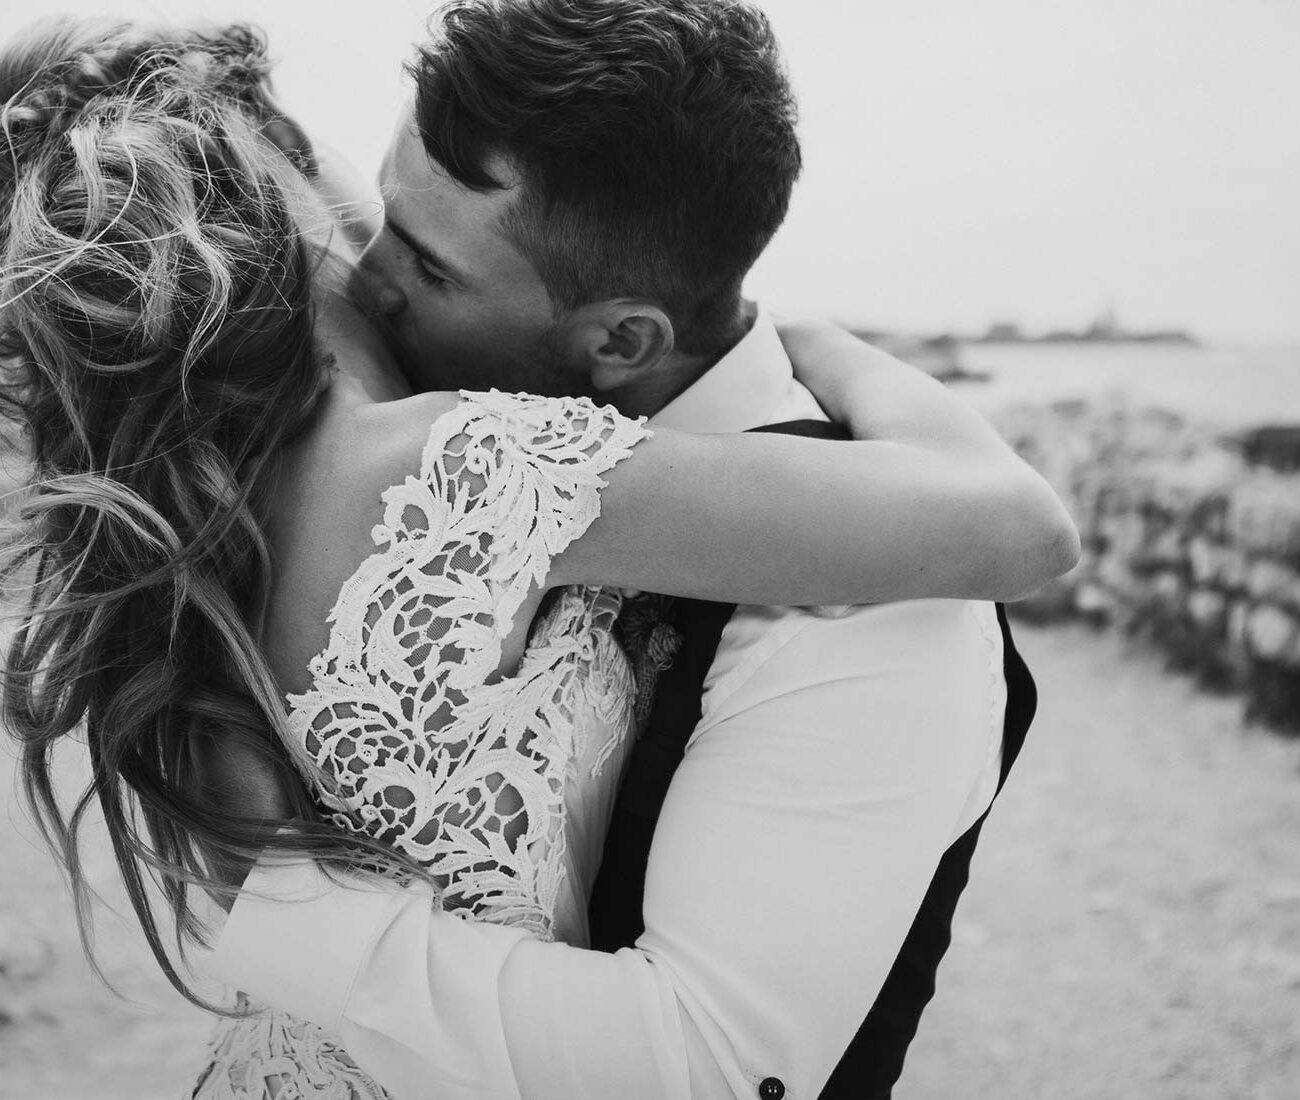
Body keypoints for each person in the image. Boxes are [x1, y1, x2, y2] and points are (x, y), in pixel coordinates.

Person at [0, 10, 1075, 1100]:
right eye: (383, 216)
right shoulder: (437, 458)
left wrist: (271, 905)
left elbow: (709, 1061)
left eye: (428, 264)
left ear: (621, 339)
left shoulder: (879, 591)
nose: (368, 276)